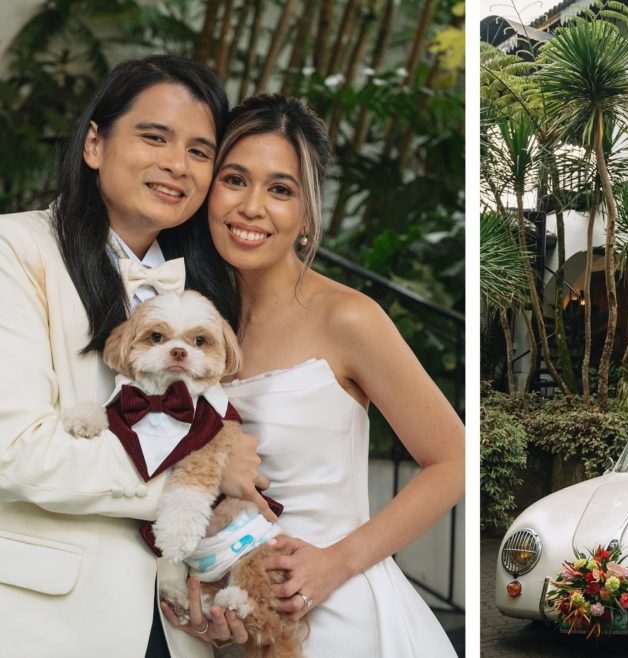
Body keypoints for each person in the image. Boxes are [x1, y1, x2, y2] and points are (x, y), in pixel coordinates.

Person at [0, 55, 271, 658]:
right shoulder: (6, 249)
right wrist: (200, 471)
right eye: (154, 137)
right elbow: (15, 454)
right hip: (29, 621)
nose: (177, 164)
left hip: (170, 627)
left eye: (199, 151)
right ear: (95, 143)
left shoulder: (200, 294)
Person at [160, 94, 464, 656]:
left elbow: (455, 459)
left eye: (280, 189)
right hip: (237, 622)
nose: (252, 207)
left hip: (339, 616)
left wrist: (336, 563)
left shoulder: (347, 318)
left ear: (306, 213)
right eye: (235, 180)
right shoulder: (190, 326)